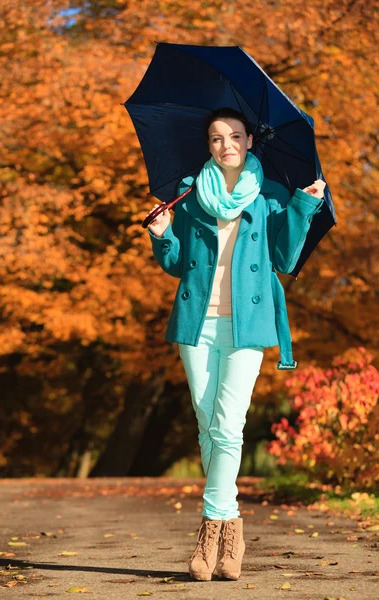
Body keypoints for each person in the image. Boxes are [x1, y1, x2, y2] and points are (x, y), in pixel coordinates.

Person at [146, 107, 325, 582]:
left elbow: (285, 258)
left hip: (247, 327)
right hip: (196, 325)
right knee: (208, 426)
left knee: (228, 422)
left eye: (234, 136)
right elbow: (178, 262)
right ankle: (232, 527)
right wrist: (162, 236)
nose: (225, 143)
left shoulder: (269, 197)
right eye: (216, 137)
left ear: (249, 142)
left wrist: (302, 207)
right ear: (208, 146)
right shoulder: (190, 195)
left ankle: (209, 528)